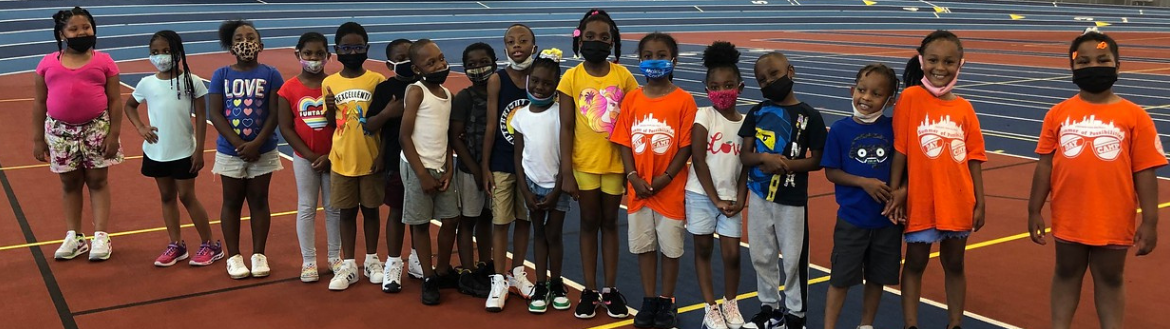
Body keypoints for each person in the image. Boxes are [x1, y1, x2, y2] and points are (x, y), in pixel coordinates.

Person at [1028, 31, 1163, 329]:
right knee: (1066, 273)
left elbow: (1146, 171)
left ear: (1118, 65)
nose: (1094, 66)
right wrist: (1034, 209)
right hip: (1069, 216)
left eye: (1103, 59)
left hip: (1113, 218)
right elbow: (1045, 165)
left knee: (1111, 279)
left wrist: (1150, 221)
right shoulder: (1057, 114)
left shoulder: (1136, 116)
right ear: (1072, 68)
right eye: (1084, 61)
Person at [124, 30, 221, 267]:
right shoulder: (147, 83)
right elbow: (130, 106)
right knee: (167, 196)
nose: (160, 56)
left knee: (187, 196)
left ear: (177, 52)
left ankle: (210, 244)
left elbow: (201, 116)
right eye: (155, 52)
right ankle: (176, 244)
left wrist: (199, 151)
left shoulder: (192, 81)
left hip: (184, 151)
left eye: (165, 51)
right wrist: (140, 128)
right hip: (156, 151)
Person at [36, 6, 124, 262]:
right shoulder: (47, 63)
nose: (81, 32)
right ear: (62, 34)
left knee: (98, 182)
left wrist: (113, 135)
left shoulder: (104, 61)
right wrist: (36, 137)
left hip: (96, 129)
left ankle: (101, 235)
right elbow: (40, 102)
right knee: (69, 183)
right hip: (59, 132)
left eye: (86, 27)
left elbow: (115, 101)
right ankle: (74, 236)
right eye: (73, 29)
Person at [206, 19, 284, 279]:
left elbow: (275, 113)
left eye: (250, 37)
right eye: (238, 39)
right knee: (231, 201)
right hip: (230, 151)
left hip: (263, 149)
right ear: (231, 47)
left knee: (260, 200)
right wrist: (239, 144)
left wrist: (257, 143)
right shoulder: (222, 75)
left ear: (260, 45)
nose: (245, 43)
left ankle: (259, 254)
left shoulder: (271, 74)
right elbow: (215, 113)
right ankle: (234, 257)